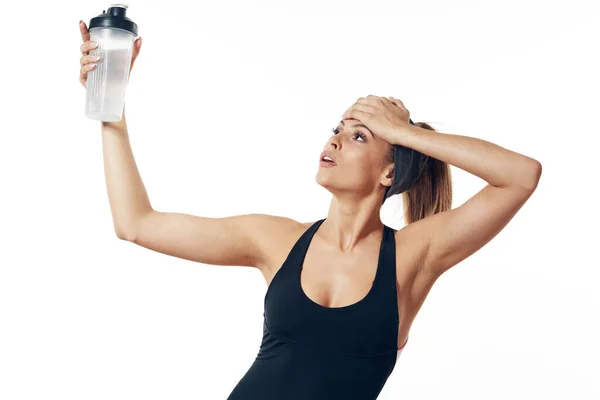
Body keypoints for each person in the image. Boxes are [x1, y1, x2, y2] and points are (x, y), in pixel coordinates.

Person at [79, 20, 542, 400]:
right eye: (337, 128)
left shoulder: (413, 255)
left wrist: (405, 132)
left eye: (360, 136)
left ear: (389, 173)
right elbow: (136, 224)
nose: (335, 139)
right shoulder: (276, 240)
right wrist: (111, 112)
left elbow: (521, 175)